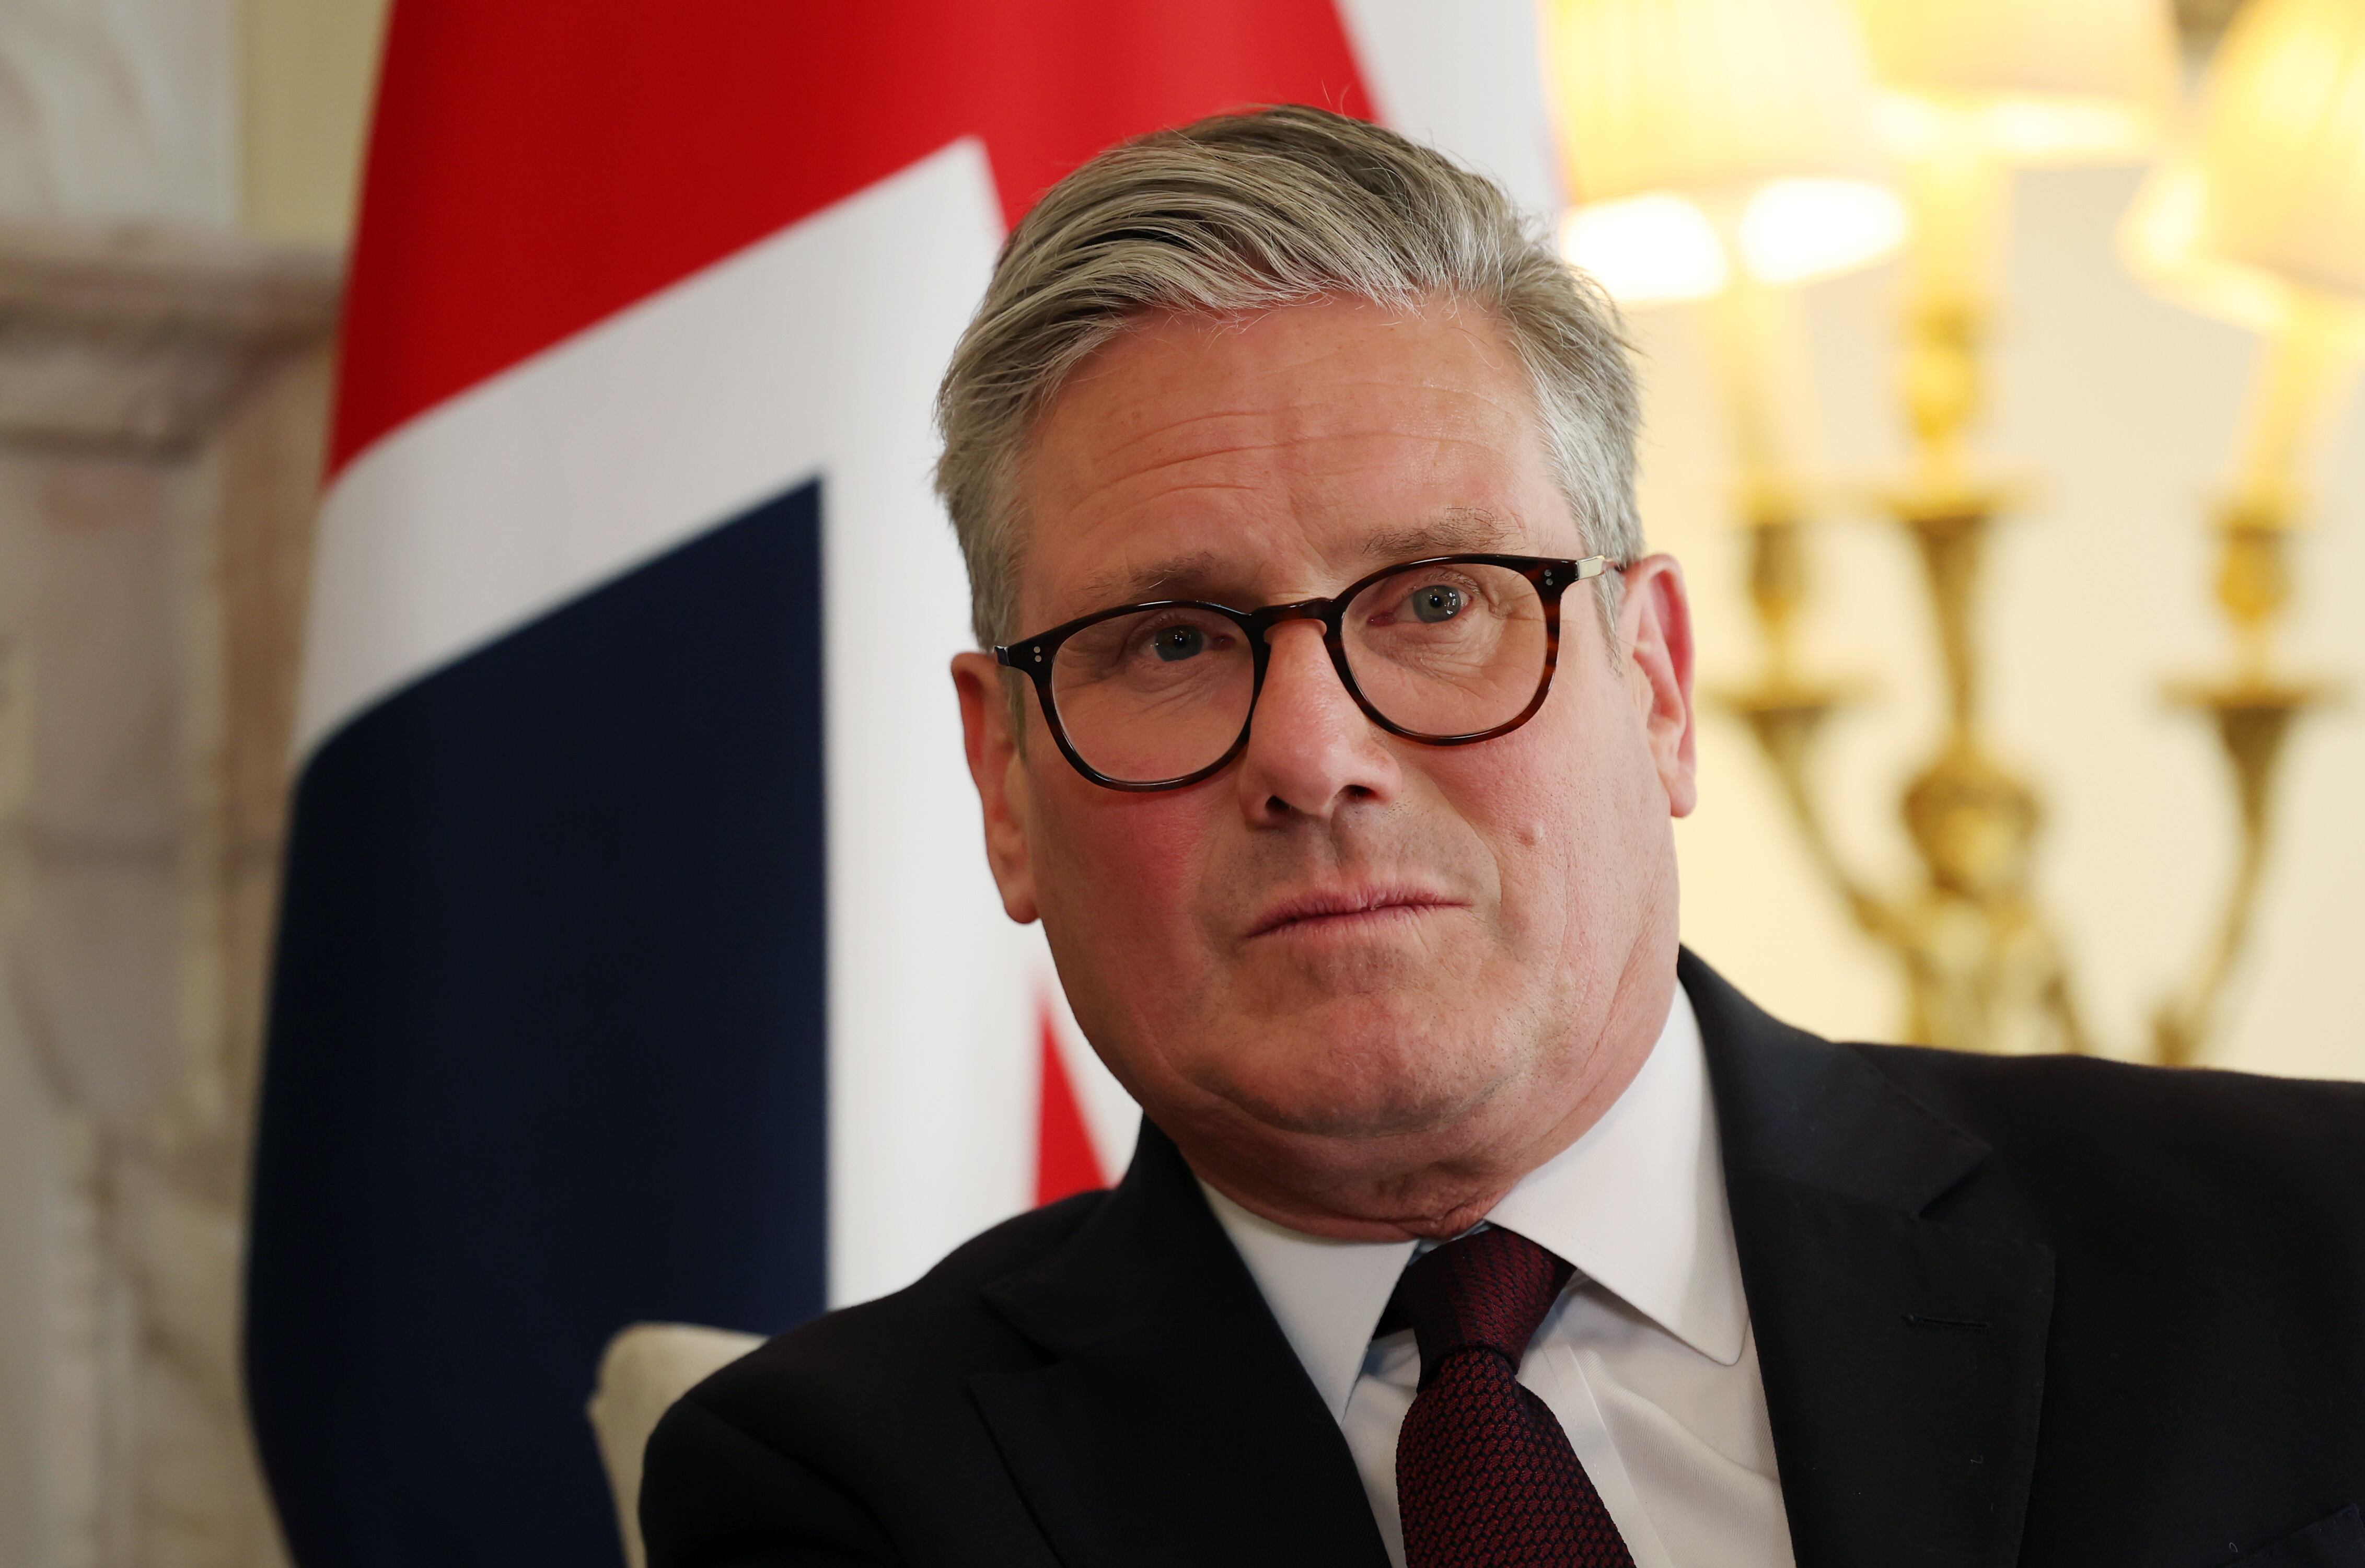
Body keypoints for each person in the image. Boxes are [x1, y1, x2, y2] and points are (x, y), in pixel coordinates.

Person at [640, 107, 2365, 1568]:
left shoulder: (2308, 1250)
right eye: (1171, 640)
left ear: (1659, 683)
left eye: (1442, 599)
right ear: (1006, 781)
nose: (1317, 758)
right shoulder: (833, 1492)